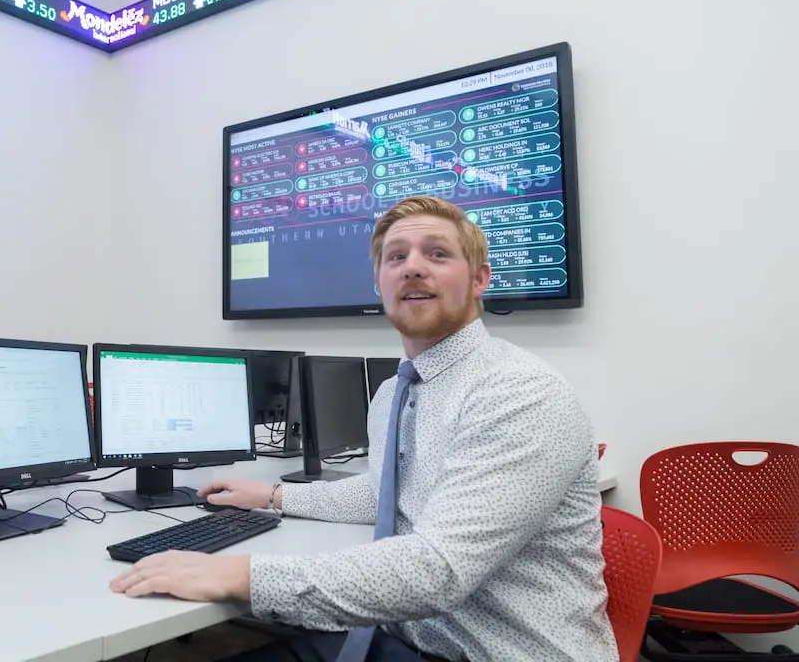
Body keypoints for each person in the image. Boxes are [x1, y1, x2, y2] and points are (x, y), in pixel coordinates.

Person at [110, 195, 618, 662]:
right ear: (379, 283)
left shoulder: (519, 392)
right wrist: (274, 496)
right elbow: (385, 494)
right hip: (410, 638)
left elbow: (437, 571)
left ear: (480, 280)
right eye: (395, 257)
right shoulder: (395, 392)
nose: (413, 266)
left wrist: (238, 574)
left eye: (437, 254)